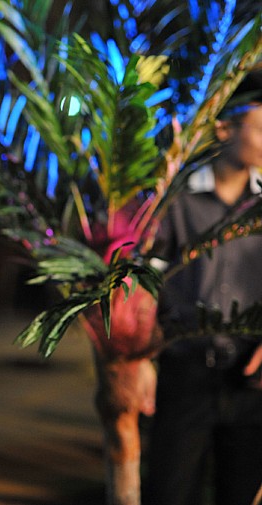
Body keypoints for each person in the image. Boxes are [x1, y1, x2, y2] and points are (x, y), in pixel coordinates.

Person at [143, 71, 262, 505]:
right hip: (184, 372)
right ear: (224, 127)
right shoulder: (176, 198)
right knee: (170, 491)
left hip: (251, 377)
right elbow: (144, 280)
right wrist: (142, 357)